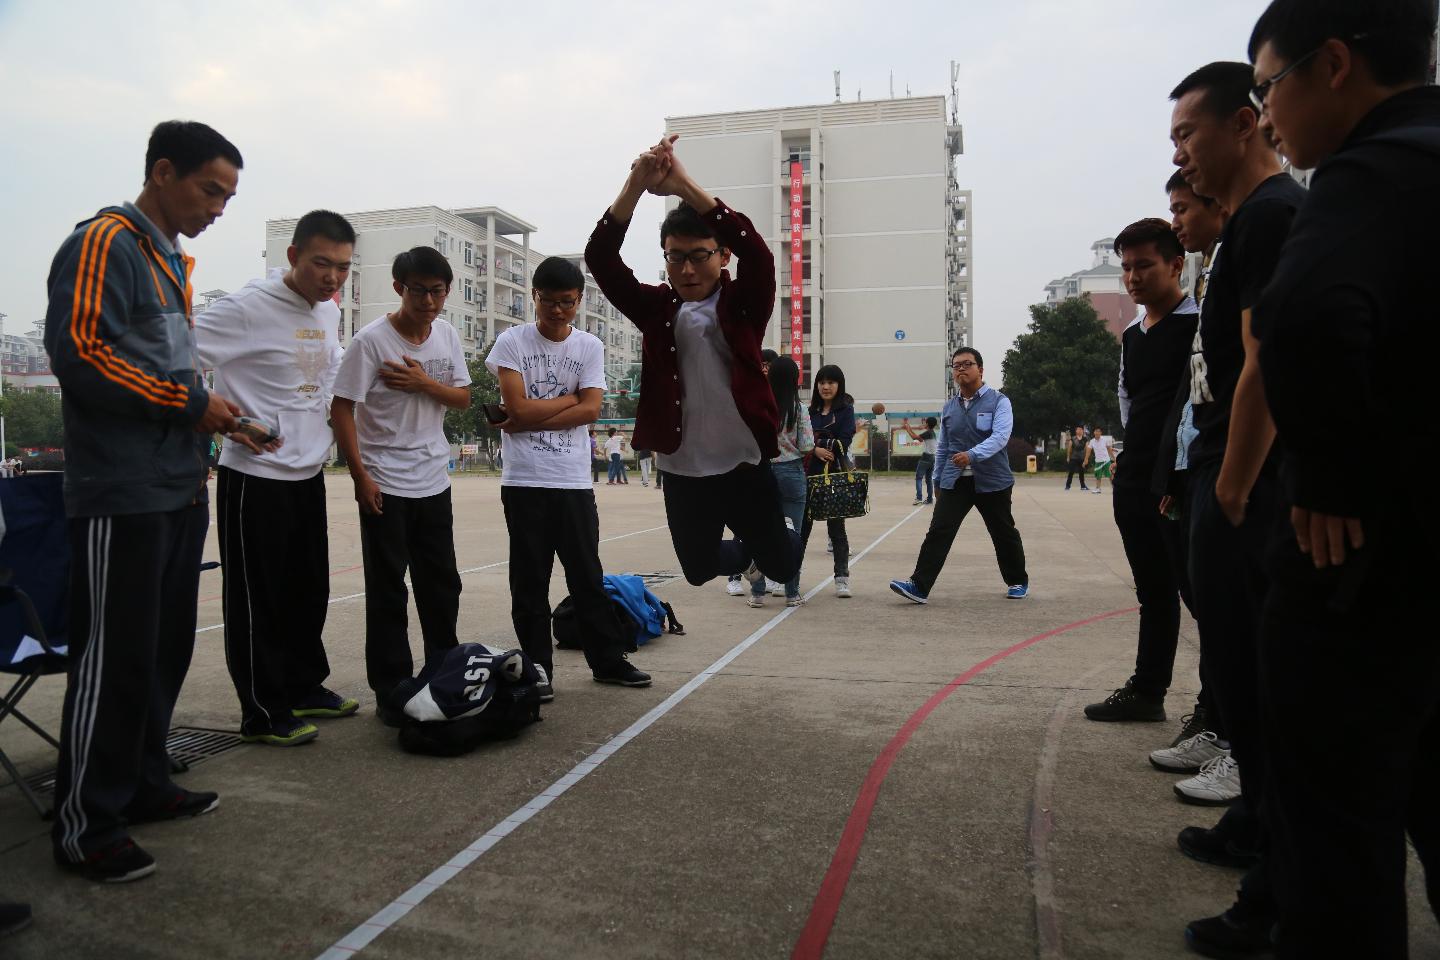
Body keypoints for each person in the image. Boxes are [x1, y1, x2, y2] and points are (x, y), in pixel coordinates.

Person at [1247, 3, 1439, 955]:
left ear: (1332, 64)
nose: (1267, 116)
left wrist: (1326, 472)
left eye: (1267, 87)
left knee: (1335, 829)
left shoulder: (1369, 173)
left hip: (1369, 562)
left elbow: (1307, 315)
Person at [43, 120, 247, 882]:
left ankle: (143, 782)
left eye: (228, 198)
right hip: (121, 489)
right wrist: (189, 404)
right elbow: (81, 354)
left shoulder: (169, 261)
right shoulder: (106, 242)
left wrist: (209, 413)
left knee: (163, 650)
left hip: (176, 484)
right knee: (115, 658)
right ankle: (86, 823)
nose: (217, 208)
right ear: (163, 172)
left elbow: (162, 366)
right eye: (209, 190)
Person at [1167, 59, 1307, 954]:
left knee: (1263, 689)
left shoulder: (1270, 217)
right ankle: (1257, 827)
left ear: (1244, 122)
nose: (1180, 153)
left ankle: (1277, 886)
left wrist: (1231, 484)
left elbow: (1264, 361)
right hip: (1229, 469)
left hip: (1246, 479)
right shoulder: (1253, 223)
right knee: (1239, 673)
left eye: (1188, 133)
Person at [585, 135, 797, 591]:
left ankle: (780, 535)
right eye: (675, 257)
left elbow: (759, 255)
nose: (686, 269)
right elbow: (599, 258)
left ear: (723, 255)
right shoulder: (655, 308)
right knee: (699, 570)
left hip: (743, 464)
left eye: (699, 256)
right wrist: (634, 186)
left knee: (783, 566)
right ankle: (748, 553)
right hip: (684, 468)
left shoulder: (744, 303)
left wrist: (683, 185)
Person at [195, 210, 357, 747]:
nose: (332, 277)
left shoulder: (328, 310)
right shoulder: (246, 308)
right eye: (321, 264)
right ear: (292, 256)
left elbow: (326, 372)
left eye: (343, 267)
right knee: (256, 599)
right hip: (255, 476)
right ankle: (262, 711)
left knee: (307, 591)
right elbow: (172, 357)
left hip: (307, 472)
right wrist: (225, 419)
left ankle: (304, 686)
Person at [486, 257, 650, 693]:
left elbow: (591, 410)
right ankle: (538, 670)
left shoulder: (589, 346)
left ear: (579, 301)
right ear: (534, 297)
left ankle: (608, 661)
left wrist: (533, 414)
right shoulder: (511, 342)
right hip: (524, 481)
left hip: (572, 482)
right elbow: (517, 408)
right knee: (529, 581)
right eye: (549, 301)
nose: (558, 311)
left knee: (586, 576)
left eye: (567, 302)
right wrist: (569, 400)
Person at [330, 246, 471, 724]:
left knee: (441, 585)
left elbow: (462, 397)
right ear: (398, 288)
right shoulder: (371, 341)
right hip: (385, 482)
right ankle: (391, 687)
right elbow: (341, 406)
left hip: (433, 480)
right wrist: (359, 475)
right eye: (419, 291)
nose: (428, 301)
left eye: (437, 292)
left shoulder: (446, 334)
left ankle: (442, 674)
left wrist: (424, 384)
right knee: (388, 589)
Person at [1083, 220, 1198, 726]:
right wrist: (1132, 460)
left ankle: (1217, 711)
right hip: (1135, 477)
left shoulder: (1200, 326)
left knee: (1200, 594)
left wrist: (1179, 473)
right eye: (1126, 267)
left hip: (1180, 479)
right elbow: (1128, 398)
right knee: (1153, 590)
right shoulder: (1133, 334)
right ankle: (1148, 691)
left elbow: (1200, 404)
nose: (1132, 277)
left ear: (1176, 265)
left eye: (1144, 265)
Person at [890, 348, 1029, 604]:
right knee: (939, 530)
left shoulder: (999, 401)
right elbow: (944, 446)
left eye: (967, 364)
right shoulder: (950, 407)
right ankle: (919, 586)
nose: (961, 369)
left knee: (1003, 532)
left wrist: (972, 455)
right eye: (956, 366)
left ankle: (1017, 581)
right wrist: (937, 479)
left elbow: (1000, 437)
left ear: (980, 369)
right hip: (955, 481)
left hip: (993, 481)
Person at [747, 356, 813, 608]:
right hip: (792, 472)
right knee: (792, 535)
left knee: (760, 531)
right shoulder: (800, 409)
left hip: (762, 471)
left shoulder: (760, 405)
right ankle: (792, 593)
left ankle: (757, 592)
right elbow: (807, 445)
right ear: (794, 380)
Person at [802, 365, 856, 599]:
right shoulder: (808, 411)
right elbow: (802, 440)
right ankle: (792, 576)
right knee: (802, 529)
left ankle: (842, 578)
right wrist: (815, 449)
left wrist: (818, 443)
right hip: (808, 476)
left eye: (831, 382)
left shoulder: (845, 411)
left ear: (839, 385)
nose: (826, 387)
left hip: (835, 476)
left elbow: (844, 439)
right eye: (822, 382)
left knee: (837, 530)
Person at [903, 416, 939, 505]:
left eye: (925, 422)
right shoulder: (932, 433)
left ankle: (919, 498)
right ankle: (929, 499)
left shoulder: (928, 433)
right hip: (933, 458)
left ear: (927, 424)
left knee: (919, 478)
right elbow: (918, 438)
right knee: (928, 479)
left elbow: (914, 438)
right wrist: (909, 427)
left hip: (926, 458)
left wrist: (907, 429)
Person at [1082, 427, 1115, 493]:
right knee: (1098, 476)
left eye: (1098, 431)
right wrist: (1086, 459)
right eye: (1096, 431)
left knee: (1110, 475)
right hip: (1098, 461)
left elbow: (1109, 449)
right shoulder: (1092, 441)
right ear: (1094, 432)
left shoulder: (1104, 440)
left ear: (1101, 433)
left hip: (1106, 460)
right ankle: (1098, 488)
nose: (1097, 433)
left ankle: (1115, 488)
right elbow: (1088, 451)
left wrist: (1114, 458)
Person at [1064, 426, 1090, 491]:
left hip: (1082, 458)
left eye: (1081, 429)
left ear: (1083, 431)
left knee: (1081, 472)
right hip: (1073, 458)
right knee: (1071, 472)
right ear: (1076, 431)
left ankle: (1083, 486)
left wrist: (1086, 458)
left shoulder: (1085, 439)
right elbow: (1069, 448)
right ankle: (1067, 486)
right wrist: (1068, 457)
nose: (1080, 431)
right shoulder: (1073, 439)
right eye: (1078, 429)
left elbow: (1087, 448)